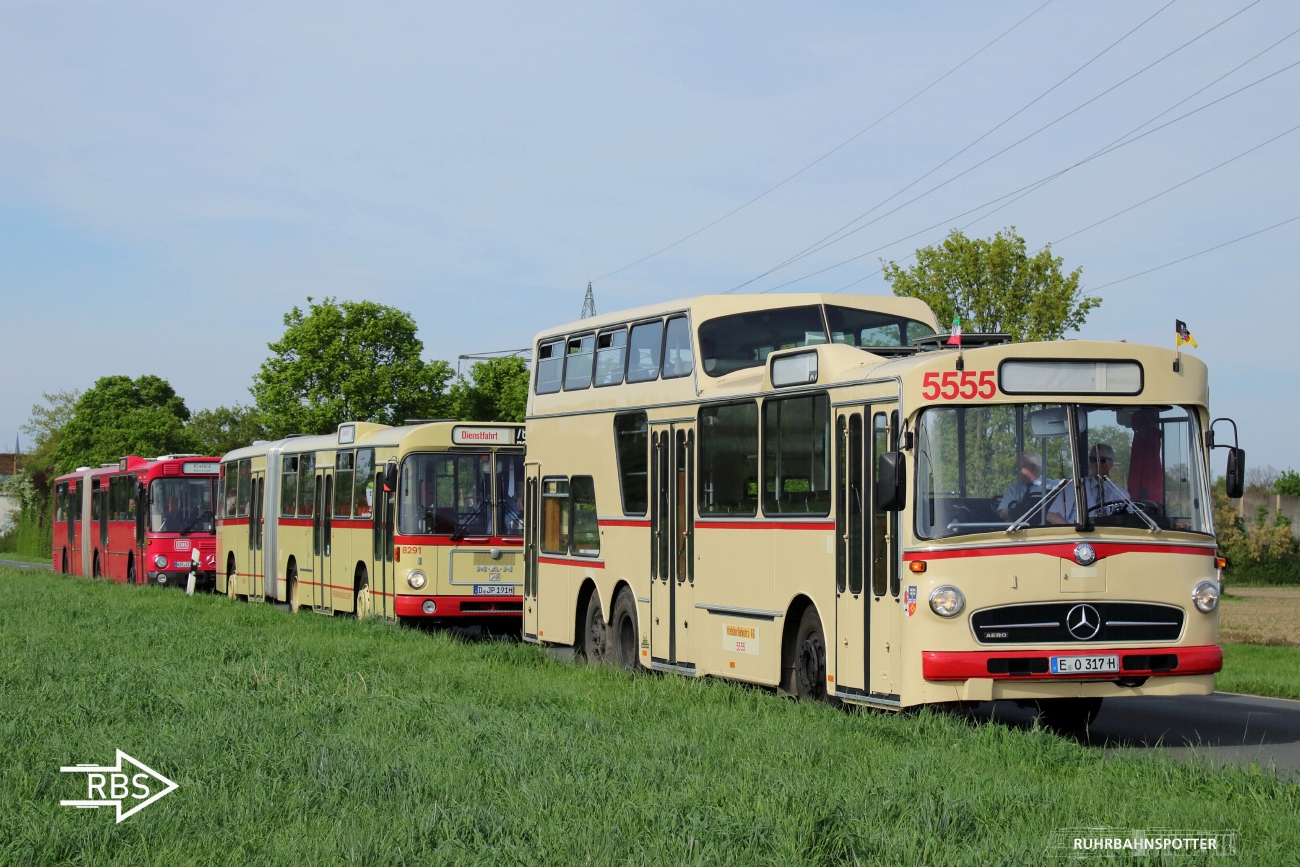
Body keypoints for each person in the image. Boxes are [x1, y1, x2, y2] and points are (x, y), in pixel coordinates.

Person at [1047, 443, 1132, 525]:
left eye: (1101, 460)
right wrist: (1074, 534)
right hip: (1080, 537)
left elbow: (1131, 521)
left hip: (1108, 538)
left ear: (1111, 464)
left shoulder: (1121, 494)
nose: (1096, 464)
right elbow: (1052, 515)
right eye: (1093, 459)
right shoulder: (1075, 486)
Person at [997, 452, 1054, 520]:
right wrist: (1014, 512)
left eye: (1019, 468)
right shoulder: (1013, 488)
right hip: (1017, 528)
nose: (1016, 471)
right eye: (1015, 468)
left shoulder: (1053, 486)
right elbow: (1002, 513)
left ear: (1032, 467)